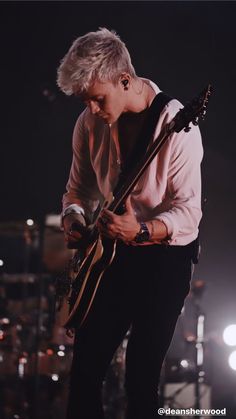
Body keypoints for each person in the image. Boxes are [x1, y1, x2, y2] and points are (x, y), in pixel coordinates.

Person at [57, 27, 203, 419]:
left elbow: (188, 214)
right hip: (110, 256)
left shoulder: (176, 124)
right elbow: (77, 191)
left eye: (97, 98)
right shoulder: (89, 125)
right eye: (85, 100)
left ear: (124, 80)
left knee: (140, 379)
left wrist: (138, 230)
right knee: (85, 372)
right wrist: (73, 219)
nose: (91, 109)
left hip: (165, 259)